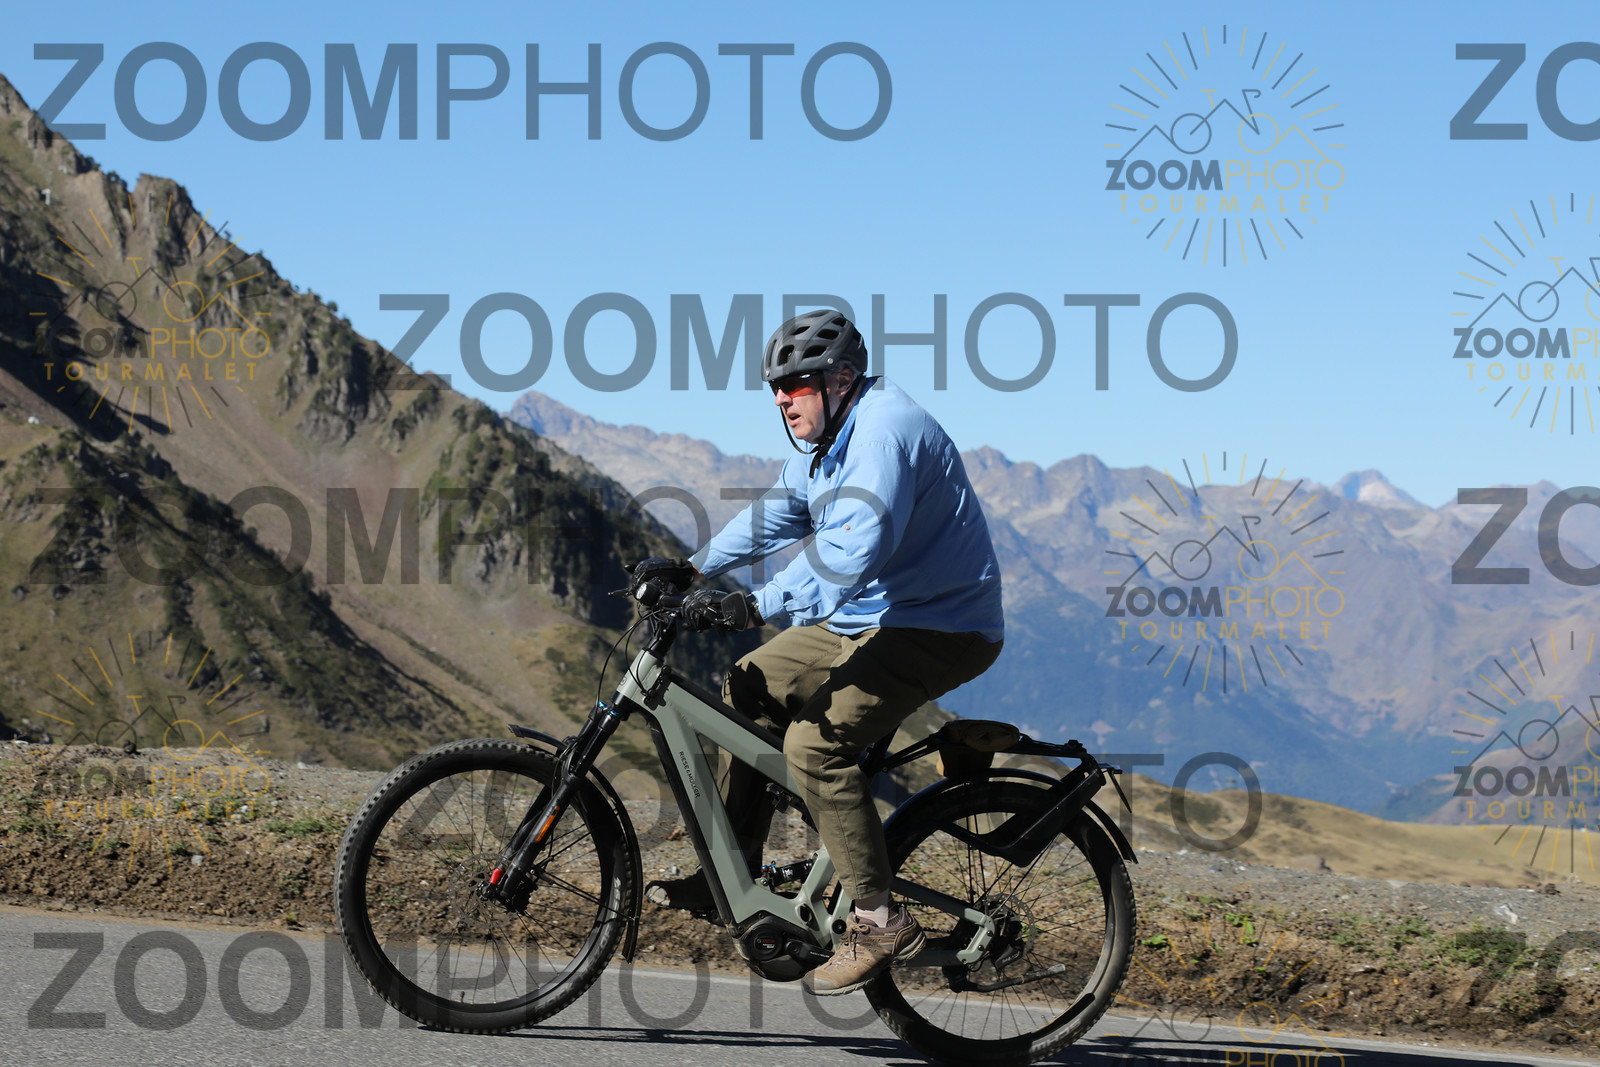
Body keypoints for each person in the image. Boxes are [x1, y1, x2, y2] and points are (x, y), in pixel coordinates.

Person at [639, 309, 1004, 997]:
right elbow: (783, 507)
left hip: (943, 626)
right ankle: (736, 870)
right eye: (776, 387)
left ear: (841, 379)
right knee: (748, 684)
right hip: (868, 617)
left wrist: (755, 604)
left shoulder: (884, 434)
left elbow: (847, 555)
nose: (783, 398)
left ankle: (880, 918)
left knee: (813, 746)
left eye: (797, 384)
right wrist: (694, 568)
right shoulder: (830, 432)